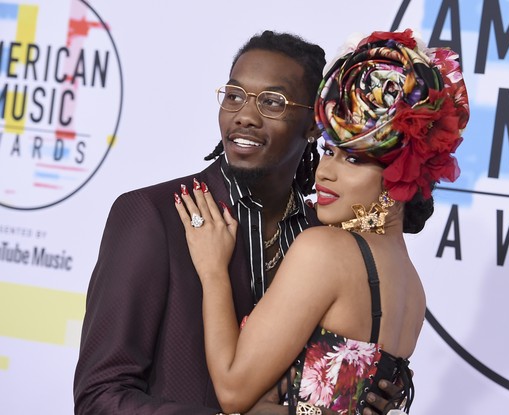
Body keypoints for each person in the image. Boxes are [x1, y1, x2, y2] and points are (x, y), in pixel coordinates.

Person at [73, 30, 399, 415]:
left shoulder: (325, 240)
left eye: (272, 102)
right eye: (234, 95)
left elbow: (310, 390)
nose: (244, 115)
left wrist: (355, 393)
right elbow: (99, 398)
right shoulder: (154, 215)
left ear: (314, 124)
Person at [174, 29, 470, 415]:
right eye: (328, 151)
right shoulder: (411, 287)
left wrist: (213, 273)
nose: (324, 173)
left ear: (400, 171)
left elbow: (232, 392)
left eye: (352, 159)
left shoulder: (325, 250)